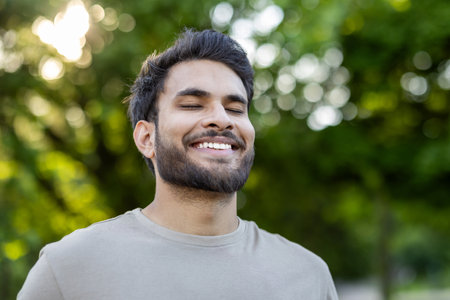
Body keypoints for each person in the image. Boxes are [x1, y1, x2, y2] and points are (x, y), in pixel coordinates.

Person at [18, 29, 338, 300]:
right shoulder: (68, 269)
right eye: (192, 104)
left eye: (236, 108)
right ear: (146, 138)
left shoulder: (307, 275)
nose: (221, 119)